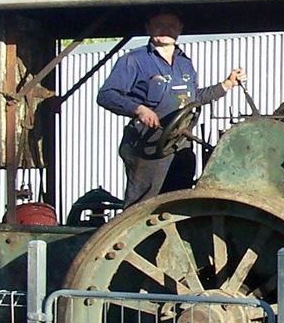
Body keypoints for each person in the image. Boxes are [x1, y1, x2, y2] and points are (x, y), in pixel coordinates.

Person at [96, 11, 246, 206]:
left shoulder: (185, 63)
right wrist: (139, 109)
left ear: (180, 30)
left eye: (171, 25)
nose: (166, 30)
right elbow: (106, 95)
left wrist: (226, 84)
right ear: (148, 28)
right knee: (143, 206)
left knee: (179, 204)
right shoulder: (134, 60)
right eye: (159, 25)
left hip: (181, 146)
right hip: (147, 147)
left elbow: (193, 98)